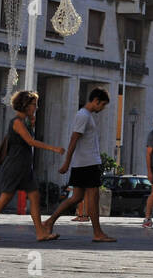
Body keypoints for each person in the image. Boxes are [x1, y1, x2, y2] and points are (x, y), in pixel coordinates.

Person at [0, 91, 64, 240]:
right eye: (33, 104)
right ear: (25, 105)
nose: (36, 107)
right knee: (5, 198)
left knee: (35, 195)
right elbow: (30, 142)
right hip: (15, 165)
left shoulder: (24, 121)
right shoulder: (17, 122)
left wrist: (31, 122)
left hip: (24, 165)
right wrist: (54, 148)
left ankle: (40, 232)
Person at [43, 88, 116, 242]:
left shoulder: (86, 115)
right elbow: (73, 139)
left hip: (84, 163)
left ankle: (49, 221)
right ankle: (97, 233)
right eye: (102, 104)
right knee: (93, 198)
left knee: (76, 197)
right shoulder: (83, 115)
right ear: (95, 100)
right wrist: (67, 163)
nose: (102, 108)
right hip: (88, 163)